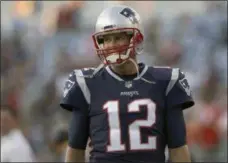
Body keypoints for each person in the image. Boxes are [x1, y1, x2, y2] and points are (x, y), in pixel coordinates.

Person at [60, 5, 195, 163]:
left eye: (118, 37)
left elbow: (178, 148)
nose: (112, 44)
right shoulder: (86, 84)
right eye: (107, 39)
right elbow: (75, 149)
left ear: (136, 38)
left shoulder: (166, 82)